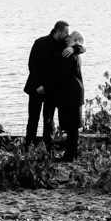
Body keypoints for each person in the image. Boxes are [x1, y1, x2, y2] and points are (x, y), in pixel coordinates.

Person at [23, 20, 83, 152]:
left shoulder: (65, 45)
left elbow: (82, 47)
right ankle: (28, 147)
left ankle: (48, 149)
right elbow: (32, 65)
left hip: (52, 89)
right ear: (59, 31)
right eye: (66, 32)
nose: (68, 36)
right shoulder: (40, 42)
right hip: (36, 88)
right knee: (33, 118)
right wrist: (39, 85)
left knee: (48, 121)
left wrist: (74, 48)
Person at [46, 30, 86, 162]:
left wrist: (47, 87)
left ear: (74, 42)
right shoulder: (75, 54)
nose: (67, 40)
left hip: (71, 94)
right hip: (74, 93)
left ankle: (70, 155)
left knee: (72, 126)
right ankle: (71, 153)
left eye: (69, 40)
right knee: (72, 126)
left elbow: (60, 75)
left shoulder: (70, 55)